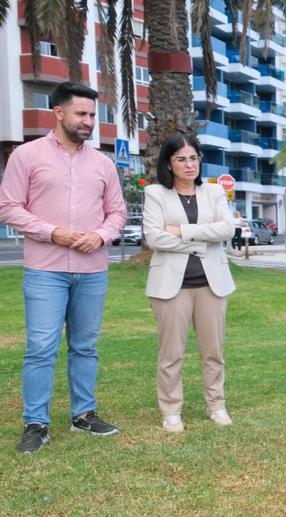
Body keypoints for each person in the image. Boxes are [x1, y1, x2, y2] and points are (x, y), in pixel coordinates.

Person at [0, 82, 126, 453]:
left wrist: (101, 236)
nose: (89, 121)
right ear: (58, 112)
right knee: (41, 347)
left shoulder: (103, 164)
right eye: (81, 114)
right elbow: (8, 207)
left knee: (85, 346)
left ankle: (83, 415)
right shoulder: (26, 156)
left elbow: (117, 212)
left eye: (92, 115)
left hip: (92, 270)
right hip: (45, 269)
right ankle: (35, 422)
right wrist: (52, 232)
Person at [142, 132, 237, 433]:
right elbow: (154, 237)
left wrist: (181, 232)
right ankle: (171, 410)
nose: (189, 164)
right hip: (171, 287)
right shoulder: (156, 194)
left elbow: (227, 229)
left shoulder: (214, 193)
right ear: (169, 164)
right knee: (171, 354)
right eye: (181, 159)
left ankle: (216, 405)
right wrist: (200, 238)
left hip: (212, 285)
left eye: (193, 158)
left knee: (214, 352)